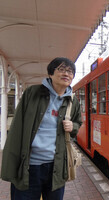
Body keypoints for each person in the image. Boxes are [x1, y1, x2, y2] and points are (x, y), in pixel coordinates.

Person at [1, 57, 82, 200]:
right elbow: (17, 128)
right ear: (50, 73)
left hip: (56, 167)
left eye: (70, 71)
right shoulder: (33, 93)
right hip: (29, 166)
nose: (66, 74)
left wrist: (73, 126)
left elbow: (77, 123)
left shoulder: (73, 101)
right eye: (61, 69)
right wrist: (11, 164)